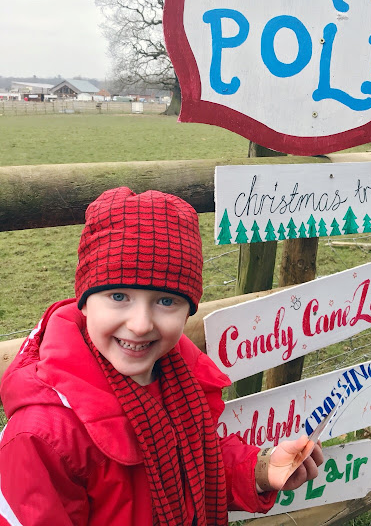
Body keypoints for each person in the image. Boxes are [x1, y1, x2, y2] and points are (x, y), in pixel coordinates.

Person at [0, 187, 323, 525]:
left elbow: (200, 465)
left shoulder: (179, 379)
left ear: (187, 312)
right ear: (85, 301)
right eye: (118, 296)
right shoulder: (44, 438)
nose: (140, 325)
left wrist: (260, 470)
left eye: (166, 301)